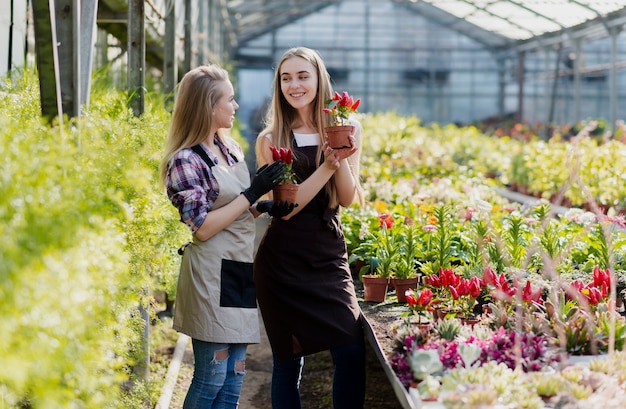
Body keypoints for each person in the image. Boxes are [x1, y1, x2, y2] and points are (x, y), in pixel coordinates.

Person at [159, 64, 293, 409]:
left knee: (234, 376)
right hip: (209, 275)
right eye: (229, 100)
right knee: (211, 377)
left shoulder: (229, 147)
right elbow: (203, 227)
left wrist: (262, 206)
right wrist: (252, 194)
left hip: (237, 269)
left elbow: (234, 210)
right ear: (208, 106)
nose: (235, 106)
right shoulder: (186, 161)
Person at [253, 47, 366, 409]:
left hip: (327, 255)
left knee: (350, 350)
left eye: (303, 76)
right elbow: (284, 210)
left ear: (319, 80)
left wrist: (340, 156)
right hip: (282, 262)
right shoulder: (270, 140)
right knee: (288, 363)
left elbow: (347, 198)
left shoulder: (347, 127)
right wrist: (328, 167)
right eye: (286, 78)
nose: (294, 85)